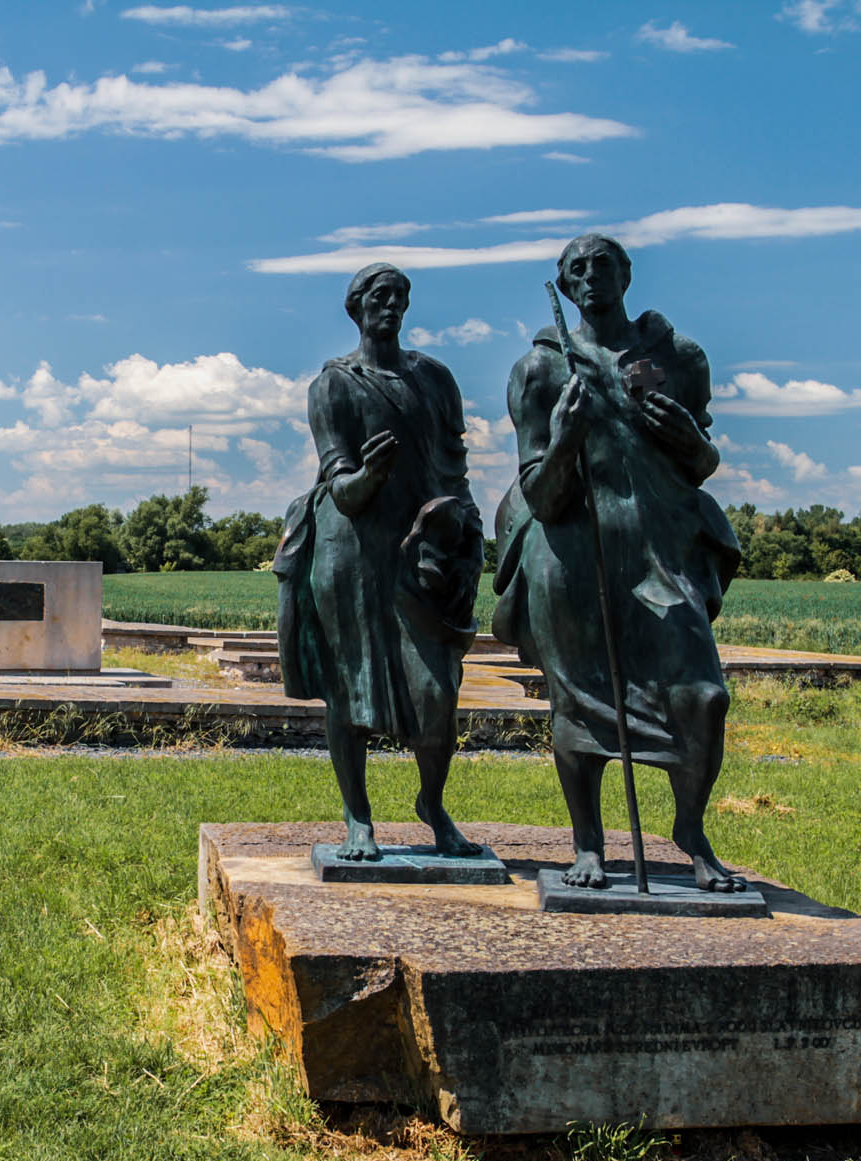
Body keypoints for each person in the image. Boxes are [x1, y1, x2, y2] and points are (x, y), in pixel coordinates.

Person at [494, 234, 743, 891]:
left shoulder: (679, 357)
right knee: (578, 706)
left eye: (602, 264)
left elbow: (701, 465)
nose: (590, 277)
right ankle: (588, 845)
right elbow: (539, 495)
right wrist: (565, 436)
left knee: (703, 697)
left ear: (626, 274)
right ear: (565, 285)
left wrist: (690, 440)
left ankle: (690, 830)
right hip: (573, 556)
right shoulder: (539, 370)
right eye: (576, 269)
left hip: (660, 551)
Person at [275, 262, 484, 862]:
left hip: (422, 553)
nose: (390, 305)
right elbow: (341, 487)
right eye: (379, 295)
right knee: (349, 693)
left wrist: (465, 530)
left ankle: (432, 805)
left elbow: (455, 468)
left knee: (437, 695)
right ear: (356, 307)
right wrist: (370, 474)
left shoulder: (435, 379)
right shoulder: (333, 385)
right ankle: (357, 819)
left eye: (399, 296)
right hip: (351, 554)